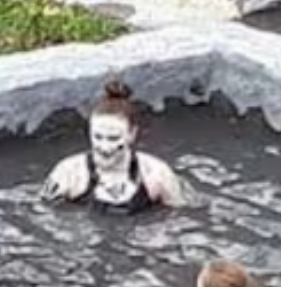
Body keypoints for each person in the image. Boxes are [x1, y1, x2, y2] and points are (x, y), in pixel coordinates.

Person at [40, 81, 186, 214]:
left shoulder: (157, 174)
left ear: (132, 134)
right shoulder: (68, 173)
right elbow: (43, 213)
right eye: (97, 137)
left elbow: (179, 217)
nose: (104, 147)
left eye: (113, 138)